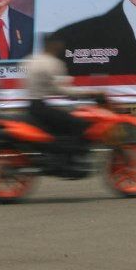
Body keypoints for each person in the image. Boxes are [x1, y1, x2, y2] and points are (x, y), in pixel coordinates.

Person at [22, 33, 91, 174]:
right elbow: (61, 88)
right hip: (41, 108)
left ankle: (63, 158)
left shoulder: (30, 60)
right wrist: (87, 93)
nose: (61, 46)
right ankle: (70, 161)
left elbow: (48, 86)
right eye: (59, 43)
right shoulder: (53, 63)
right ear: (53, 45)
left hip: (32, 106)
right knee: (79, 124)